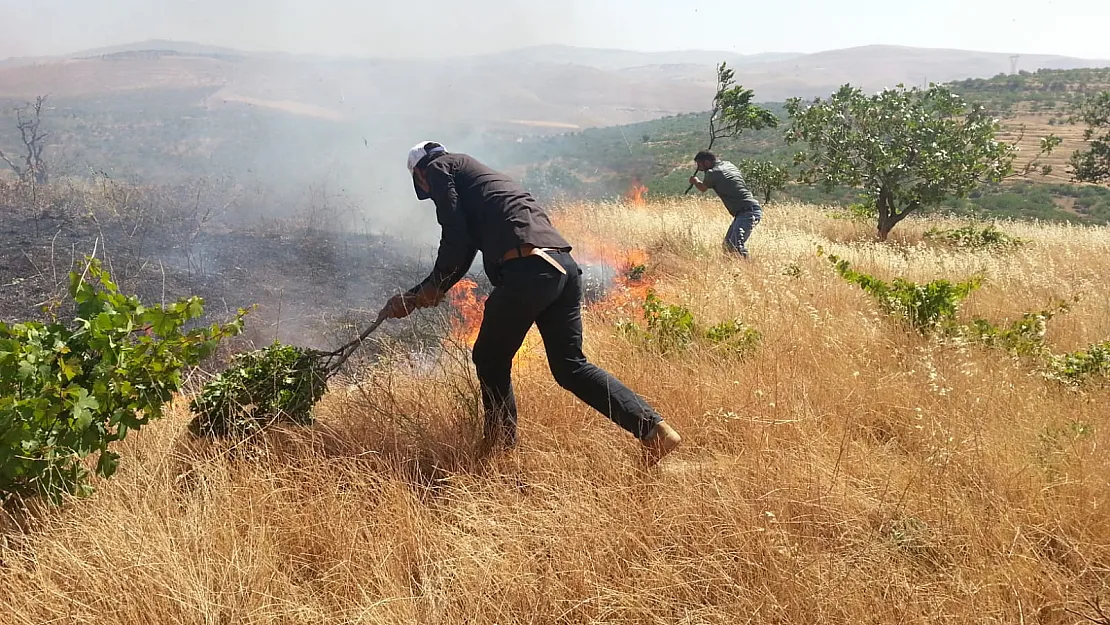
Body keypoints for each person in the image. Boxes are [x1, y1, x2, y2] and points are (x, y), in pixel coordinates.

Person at [377, 141, 682, 466]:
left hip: (529, 270)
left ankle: (500, 453)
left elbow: (454, 235)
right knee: (570, 367)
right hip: (562, 268)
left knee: (489, 358)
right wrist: (425, 292)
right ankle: (654, 431)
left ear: (420, 175)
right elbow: (463, 250)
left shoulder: (439, 168)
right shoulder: (481, 177)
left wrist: (423, 291)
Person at [688, 150, 762, 258]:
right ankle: (734, 271)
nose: (699, 168)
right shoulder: (728, 164)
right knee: (728, 245)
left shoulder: (712, 173)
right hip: (748, 210)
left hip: (747, 212)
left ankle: (750, 270)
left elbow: (702, 188)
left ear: (707, 162)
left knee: (734, 246)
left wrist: (695, 181)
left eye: (700, 165)